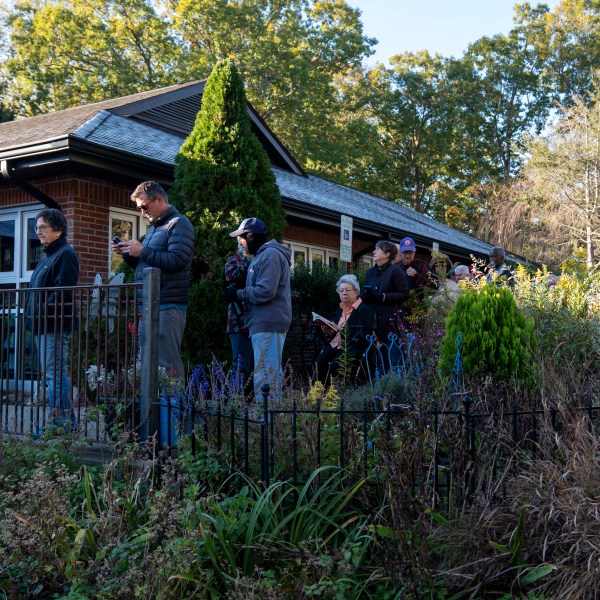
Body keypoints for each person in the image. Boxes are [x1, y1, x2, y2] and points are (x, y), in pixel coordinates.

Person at [112, 181, 194, 377]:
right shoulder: (155, 228)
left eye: (144, 206)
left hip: (167, 305)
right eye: (138, 208)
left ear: (159, 200)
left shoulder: (179, 223)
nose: (141, 212)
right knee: (150, 364)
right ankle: (156, 408)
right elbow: (147, 266)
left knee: (168, 365)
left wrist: (143, 251)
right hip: (149, 306)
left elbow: (177, 260)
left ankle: (174, 407)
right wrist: (128, 254)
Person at [226, 218, 292, 400]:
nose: (240, 242)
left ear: (251, 236)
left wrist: (238, 294)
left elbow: (265, 291)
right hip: (264, 321)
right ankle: (271, 420)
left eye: (242, 237)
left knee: (266, 374)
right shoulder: (264, 255)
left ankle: (267, 422)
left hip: (268, 321)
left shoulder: (270, 255)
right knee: (268, 371)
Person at [27, 208, 79, 428]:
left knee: (54, 376)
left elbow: (62, 291)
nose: (38, 232)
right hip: (43, 325)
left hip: (54, 325)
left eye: (43, 227)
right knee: (52, 375)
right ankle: (65, 422)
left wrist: (40, 311)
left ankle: (60, 425)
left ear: (58, 230)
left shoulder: (65, 253)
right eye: (37, 227)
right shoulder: (48, 255)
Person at [314, 274, 373, 383]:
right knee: (319, 363)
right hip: (336, 344)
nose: (344, 293)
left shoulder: (364, 309)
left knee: (336, 367)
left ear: (356, 292)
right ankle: (319, 393)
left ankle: (334, 394)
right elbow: (335, 332)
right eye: (341, 291)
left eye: (347, 290)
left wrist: (340, 329)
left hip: (353, 346)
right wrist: (330, 330)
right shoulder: (340, 310)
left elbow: (361, 333)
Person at [362, 240, 409, 343]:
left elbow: (405, 294)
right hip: (371, 320)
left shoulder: (395, 271)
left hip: (389, 322)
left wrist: (383, 297)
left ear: (387, 254)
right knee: (372, 353)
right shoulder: (370, 272)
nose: (374, 252)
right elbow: (364, 293)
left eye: (377, 249)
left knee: (389, 354)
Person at [224, 245, 253, 384]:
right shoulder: (233, 261)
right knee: (240, 365)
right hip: (238, 322)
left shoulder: (261, 260)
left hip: (257, 320)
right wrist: (247, 259)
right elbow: (233, 277)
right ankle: (233, 401)